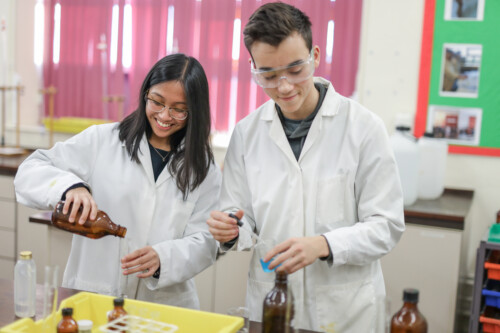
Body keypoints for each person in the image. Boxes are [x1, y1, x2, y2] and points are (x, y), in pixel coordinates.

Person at [206, 3, 405, 332]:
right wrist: (230, 230)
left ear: (314, 55)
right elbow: (240, 216)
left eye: (295, 70)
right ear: (253, 68)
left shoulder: (363, 128)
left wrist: (324, 244)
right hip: (272, 301)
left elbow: (387, 225)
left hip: (345, 310)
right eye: (268, 75)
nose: (284, 87)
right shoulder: (247, 133)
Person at [14, 54, 221, 309]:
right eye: (157, 101)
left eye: (179, 109)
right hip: (95, 294)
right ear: (145, 93)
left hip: (164, 305)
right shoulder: (104, 140)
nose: (165, 115)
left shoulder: (203, 167)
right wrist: (71, 187)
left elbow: (207, 240)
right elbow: (30, 170)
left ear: (195, 111)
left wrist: (164, 258)